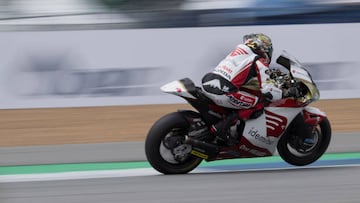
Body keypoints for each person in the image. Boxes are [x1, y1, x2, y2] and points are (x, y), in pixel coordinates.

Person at [201, 33, 301, 144]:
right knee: (258, 104)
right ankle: (220, 128)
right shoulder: (259, 60)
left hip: (209, 82)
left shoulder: (239, 52)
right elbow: (268, 91)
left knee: (245, 96)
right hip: (224, 91)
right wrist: (286, 93)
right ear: (263, 47)